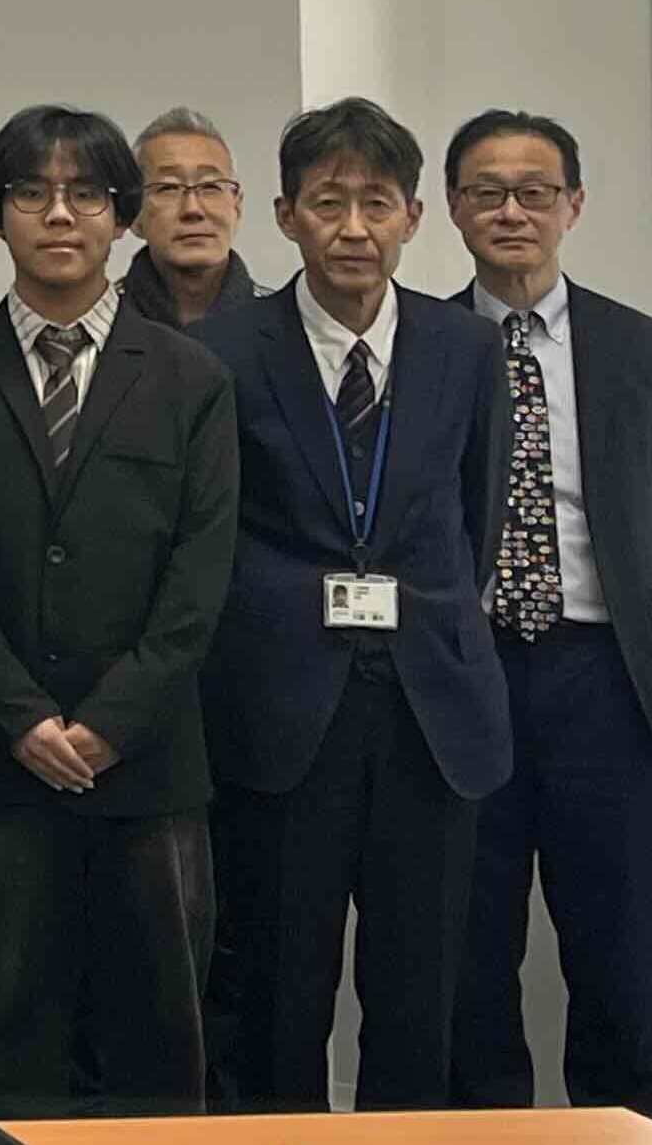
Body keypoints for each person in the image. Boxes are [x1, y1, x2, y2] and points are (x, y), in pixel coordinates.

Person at [0, 107, 233, 1145]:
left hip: (148, 762)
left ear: (123, 217)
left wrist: (112, 720)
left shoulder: (191, 377)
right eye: (32, 193)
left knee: (155, 1042)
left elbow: (200, 574)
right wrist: (23, 717)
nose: (60, 214)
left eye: (87, 193)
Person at [193, 100, 508, 1114]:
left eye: (378, 203)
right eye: (329, 203)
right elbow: (210, 533)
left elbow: (477, 515)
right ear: (285, 215)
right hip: (280, 709)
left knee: (420, 993)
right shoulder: (223, 350)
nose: (354, 228)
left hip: (429, 708)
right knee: (275, 991)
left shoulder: (466, 347)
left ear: (415, 215)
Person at [441, 110, 652, 1122]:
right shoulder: (424, 344)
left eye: (536, 191)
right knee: (468, 964)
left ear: (575, 205)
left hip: (613, 684)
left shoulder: (644, 347)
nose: (512, 211)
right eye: (487, 191)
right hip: (466, 681)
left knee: (618, 965)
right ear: (453, 209)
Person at [120, 108, 259, 334]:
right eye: (168, 188)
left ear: (237, 206)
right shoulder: (101, 326)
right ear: (134, 214)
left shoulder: (285, 324)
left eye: (210, 186)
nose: (192, 209)